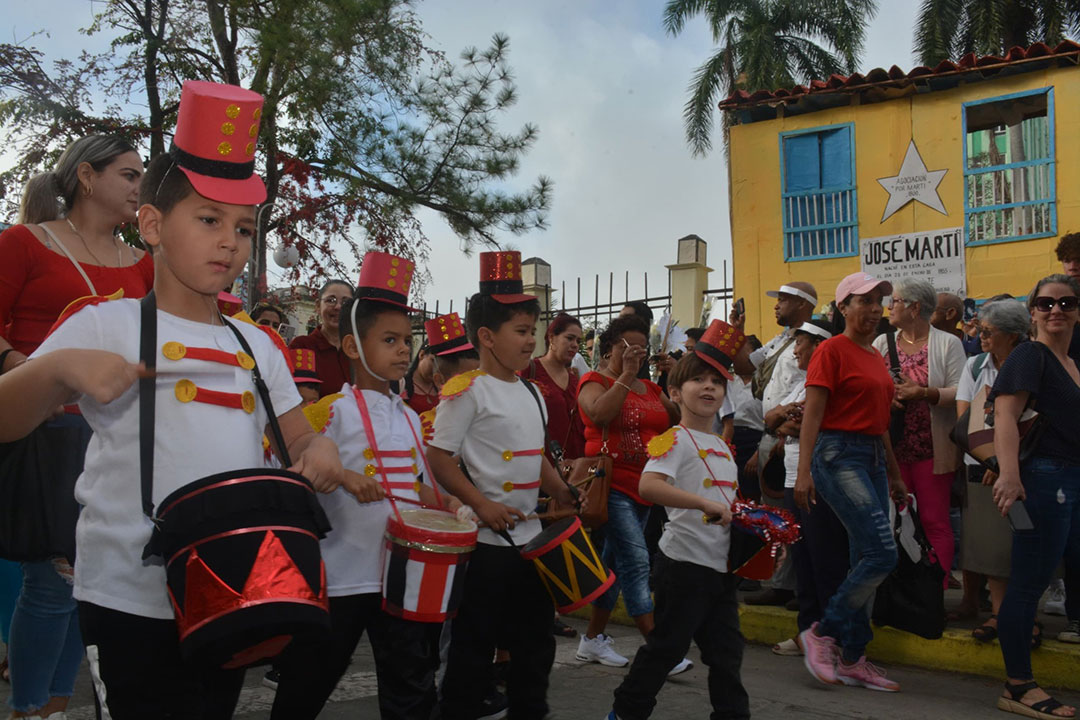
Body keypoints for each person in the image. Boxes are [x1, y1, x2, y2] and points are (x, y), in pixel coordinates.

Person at [0, 80, 345, 718]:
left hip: (232, 586)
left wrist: (318, 446)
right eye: (209, 220)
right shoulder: (107, 323)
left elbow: (298, 435)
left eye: (243, 227)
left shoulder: (258, 344)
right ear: (153, 225)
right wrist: (58, 369)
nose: (230, 242)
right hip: (128, 591)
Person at [0, 133, 152, 720]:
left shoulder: (143, 263)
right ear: (87, 177)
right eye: (129, 174)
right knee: (50, 582)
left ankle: (57, 707)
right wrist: (34, 372)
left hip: (115, 437)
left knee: (84, 583)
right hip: (45, 434)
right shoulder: (24, 244)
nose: (139, 187)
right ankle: (29, 707)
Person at [271, 251, 456, 720]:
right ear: (353, 349)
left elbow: (422, 490)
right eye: (389, 340)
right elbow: (287, 468)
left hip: (401, 577)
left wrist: (455, 507)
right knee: (307, 682)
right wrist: (344, 477)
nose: (403, 351)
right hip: (341, 575)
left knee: (411, 686)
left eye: (407, 340)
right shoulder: (327, 412)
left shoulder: (413, 418)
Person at [427, 251, 579, 720]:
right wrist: (483, 505)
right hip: (488, 542)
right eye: (521, 331)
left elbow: (537, 457)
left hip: (531, 540)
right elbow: (439, 459)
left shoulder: (531, 391)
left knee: (535, 644)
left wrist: (561, 491)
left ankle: (530, 711)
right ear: (487, 337)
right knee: (474, 646)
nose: (530, 341)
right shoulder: (466, 391)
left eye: (532, 331)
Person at [606, 320, 750, 720]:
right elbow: (650, 486)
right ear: (674, 391)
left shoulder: (721, 445)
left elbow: (728, 500)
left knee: (727, 656)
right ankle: (625, 712)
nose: (708, 388)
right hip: (683, 568)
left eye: (716, 383)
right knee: (666, 648)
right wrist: (701, 505)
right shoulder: (675, 439)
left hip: (719, 571)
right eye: (698, 381)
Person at [794, 271, 906, 692]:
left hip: (872, 458)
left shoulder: (875, 355)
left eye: (879, 302)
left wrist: (893, 474)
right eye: (864, 301)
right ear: (842, 307)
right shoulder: (831, 351)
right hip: (837, 455)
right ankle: (824, 633)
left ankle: (855, 657)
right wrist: (804, 472)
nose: (875, 309)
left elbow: (879, 423)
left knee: (867, 556)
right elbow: (813, 415)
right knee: (882, 554)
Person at [989, 274, 1080, 720]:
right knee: (1028, 584)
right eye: (1045, 303)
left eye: (1066, 302)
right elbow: (1005, 413)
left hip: (1071, 478)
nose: (1055, 310)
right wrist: (1009, 475)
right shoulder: (1030, 354)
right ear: (1032, 312)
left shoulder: (1073, 363)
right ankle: (1018, 685)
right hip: (1043, 478)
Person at [575, 315, 685, 671]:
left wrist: (673, 378)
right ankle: (659, 653)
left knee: (614, 566)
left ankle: (592, 640)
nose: (636, 353)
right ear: (609, 349)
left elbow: (677, 418)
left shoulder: (649, 388)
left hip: (646, 487)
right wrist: (625, 375)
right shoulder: (594, 381)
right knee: (637, 563)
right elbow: (599, 414)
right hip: (612, 486)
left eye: (642, 347)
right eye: (628, 346)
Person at [872, 278, 965, 587]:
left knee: (934, 520)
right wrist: (890, 398)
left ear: (914, 307)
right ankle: (898, 588)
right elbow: (868, 388)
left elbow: (961, 391)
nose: (888, 308)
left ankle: (933, 591)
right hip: (891, 448)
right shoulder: (882, 344)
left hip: (931, 448)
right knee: (892, 519)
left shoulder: (947, 343)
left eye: (895, 301)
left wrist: (923, 393)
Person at [764, 318, 847, 657]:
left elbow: (809, 426)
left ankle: (830, 635)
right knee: (802, 558)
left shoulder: (828, 383)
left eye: (800, 343)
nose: (795, 350)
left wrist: (792, 425)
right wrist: (786, 420)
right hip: (789, 479)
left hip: (814, 478)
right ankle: (807, 631)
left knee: (824, 558)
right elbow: (772, 421)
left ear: (817, 345)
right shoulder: (801, 385)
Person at [953, 300, 1032, 644]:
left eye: (988, 331)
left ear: (1013, 336)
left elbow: (1036, 420)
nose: (980, 336)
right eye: (980, 329)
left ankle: (1024, 618)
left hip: (1024, 468)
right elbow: (965, 421)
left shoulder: (1033, 364)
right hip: (981, 468)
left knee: (1025, 547)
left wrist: (1007, 464)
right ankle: (1002, 616)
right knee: (992, 548)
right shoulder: (974, 366)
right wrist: (992, 462)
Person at [744, 282, 817, 606]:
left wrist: (783, 433)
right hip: (772, 432)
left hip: (789, 437)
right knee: (774, 515)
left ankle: (794, 586)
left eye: (784, 300)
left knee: (792, 516)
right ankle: (781, 582)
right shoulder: (782, 340)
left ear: (803, 304)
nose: (777, 305)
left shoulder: (812, 342)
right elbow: (748, 366)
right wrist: (736, 330)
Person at [521, 312, 585, 463]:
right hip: (541, 464)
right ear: (552, 338)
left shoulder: (574, 379)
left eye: (578, 341)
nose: (575, 345)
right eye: (569, 338)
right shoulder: (530, 370)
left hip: (576, 466)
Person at [289, 279, 353, 398]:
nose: (338, 307)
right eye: (331, 300)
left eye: (345, 302)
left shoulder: (359, 351)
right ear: (318, 306)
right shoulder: (302, 346)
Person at [727, 335, 764, 503]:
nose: (735, 356)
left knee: (751, 494)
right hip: (730, 439)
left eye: (741, 351)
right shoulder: (728, 382)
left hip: (755, 443)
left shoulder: (764, 382)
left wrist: (758, 453)